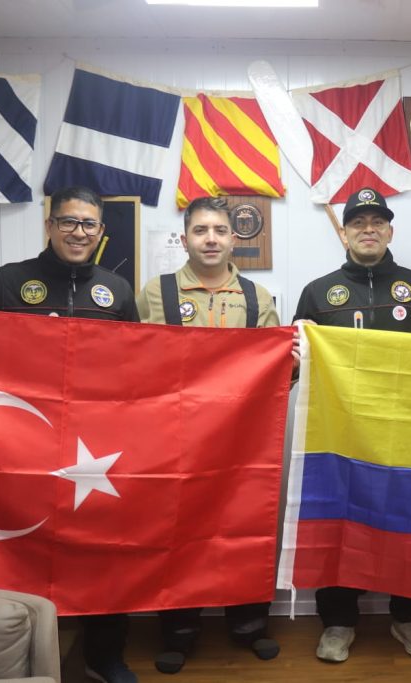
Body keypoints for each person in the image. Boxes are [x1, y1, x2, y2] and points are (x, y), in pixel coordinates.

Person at [0, 185, 140, 683]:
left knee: (103, 550)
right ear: (49, 226)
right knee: (23, 546)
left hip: (95, 448)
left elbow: (141, 362)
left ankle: (104, 655)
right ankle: (19, 655)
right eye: (68, 221)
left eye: (89, 224)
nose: (78, 232)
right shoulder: (9, 282)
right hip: (23, 442)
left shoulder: (117, 291)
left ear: (101, 231)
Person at [293, 187, 411, 663]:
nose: (368, 229)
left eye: (377, 221)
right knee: (338, 524)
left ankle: (410, 617)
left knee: (409, 525)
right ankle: (338, 622)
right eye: (358, 222)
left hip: (407, 433)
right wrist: (294, 355)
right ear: (344, 233)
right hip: (340, 438)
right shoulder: (318, 293)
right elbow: (296, 366)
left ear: (390, 231)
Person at [137, 196, 284, 674]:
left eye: (220, 230)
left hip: (242, 441)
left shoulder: (258, 298)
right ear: (185, 239)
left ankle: (249, 626)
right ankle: (179, 631)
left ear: (234, 239)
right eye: (201, 230)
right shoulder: (156, 292)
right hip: (176, 439)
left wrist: (294, 361)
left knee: (243, 529)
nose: (211, 239)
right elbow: (139, 363)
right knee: (179, 534)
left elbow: (275, 372)